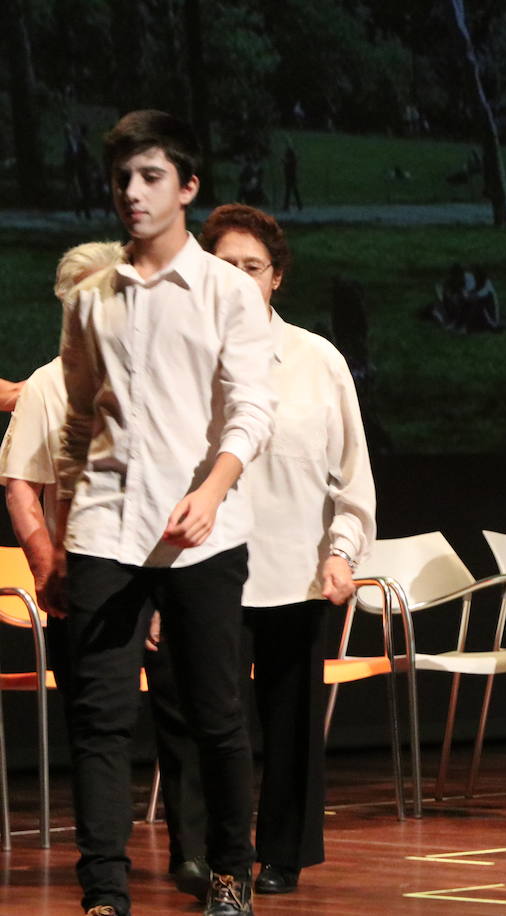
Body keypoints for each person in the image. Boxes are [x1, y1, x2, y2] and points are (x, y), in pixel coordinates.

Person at [47, 110, 275, 916]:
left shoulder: (225, 293)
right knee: (100, 718)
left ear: (187, 187)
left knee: (215, 713)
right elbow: (77, 422)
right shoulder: (90, 301)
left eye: (150, 178)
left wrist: (211, 492)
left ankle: (228, 873)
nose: (132, 194)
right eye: (121, 180)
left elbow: (250, 410)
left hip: (201, 533)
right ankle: (104, 890)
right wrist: (65, 530)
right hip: (105, 528)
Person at [1, 241, 213, 897]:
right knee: (99, 724)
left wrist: (160, 591)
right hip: (87, 580)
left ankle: (195, 853)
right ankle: (104, 872)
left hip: (170, 571)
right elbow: (21, 485)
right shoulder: (46, 383)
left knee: (186, 713)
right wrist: (48, 567)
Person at [201, 203, 376, 895]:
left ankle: (282, 852)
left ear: (277, 278)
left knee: (290, 716)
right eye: (224, 267)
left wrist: (343, 550)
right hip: (205, 568)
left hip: (294, 567)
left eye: (252, 267)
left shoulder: (316, 360)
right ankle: (213, 854)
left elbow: (351, 470)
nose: (239, 279)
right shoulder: (182, 360)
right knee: (211, 723)